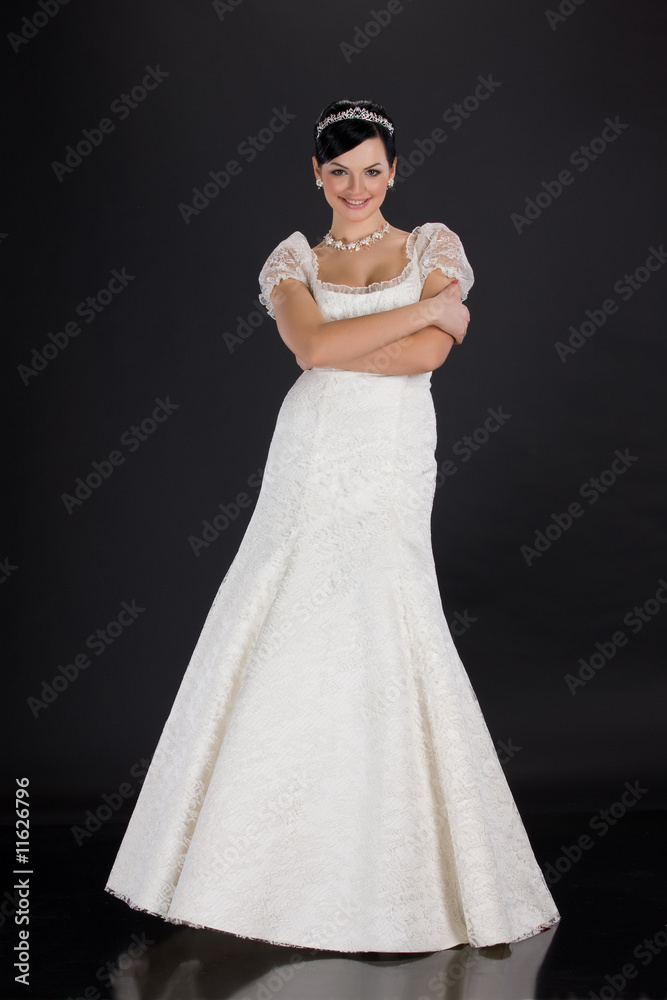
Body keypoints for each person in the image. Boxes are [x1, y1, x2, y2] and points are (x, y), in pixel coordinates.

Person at [104, 98, 561, 953]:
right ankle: (249, 870)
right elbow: (311, 352)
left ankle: (383, 865)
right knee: (287, 617)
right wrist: (426, 311)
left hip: (390, 452)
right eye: (340, 171)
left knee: (387, 615)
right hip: (312, 450)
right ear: (316, 173)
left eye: (372, 170)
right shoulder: (292, 258)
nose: (357, 187)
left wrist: (371, 334)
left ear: (395, 171)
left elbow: (425, 358)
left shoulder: (434, 245)